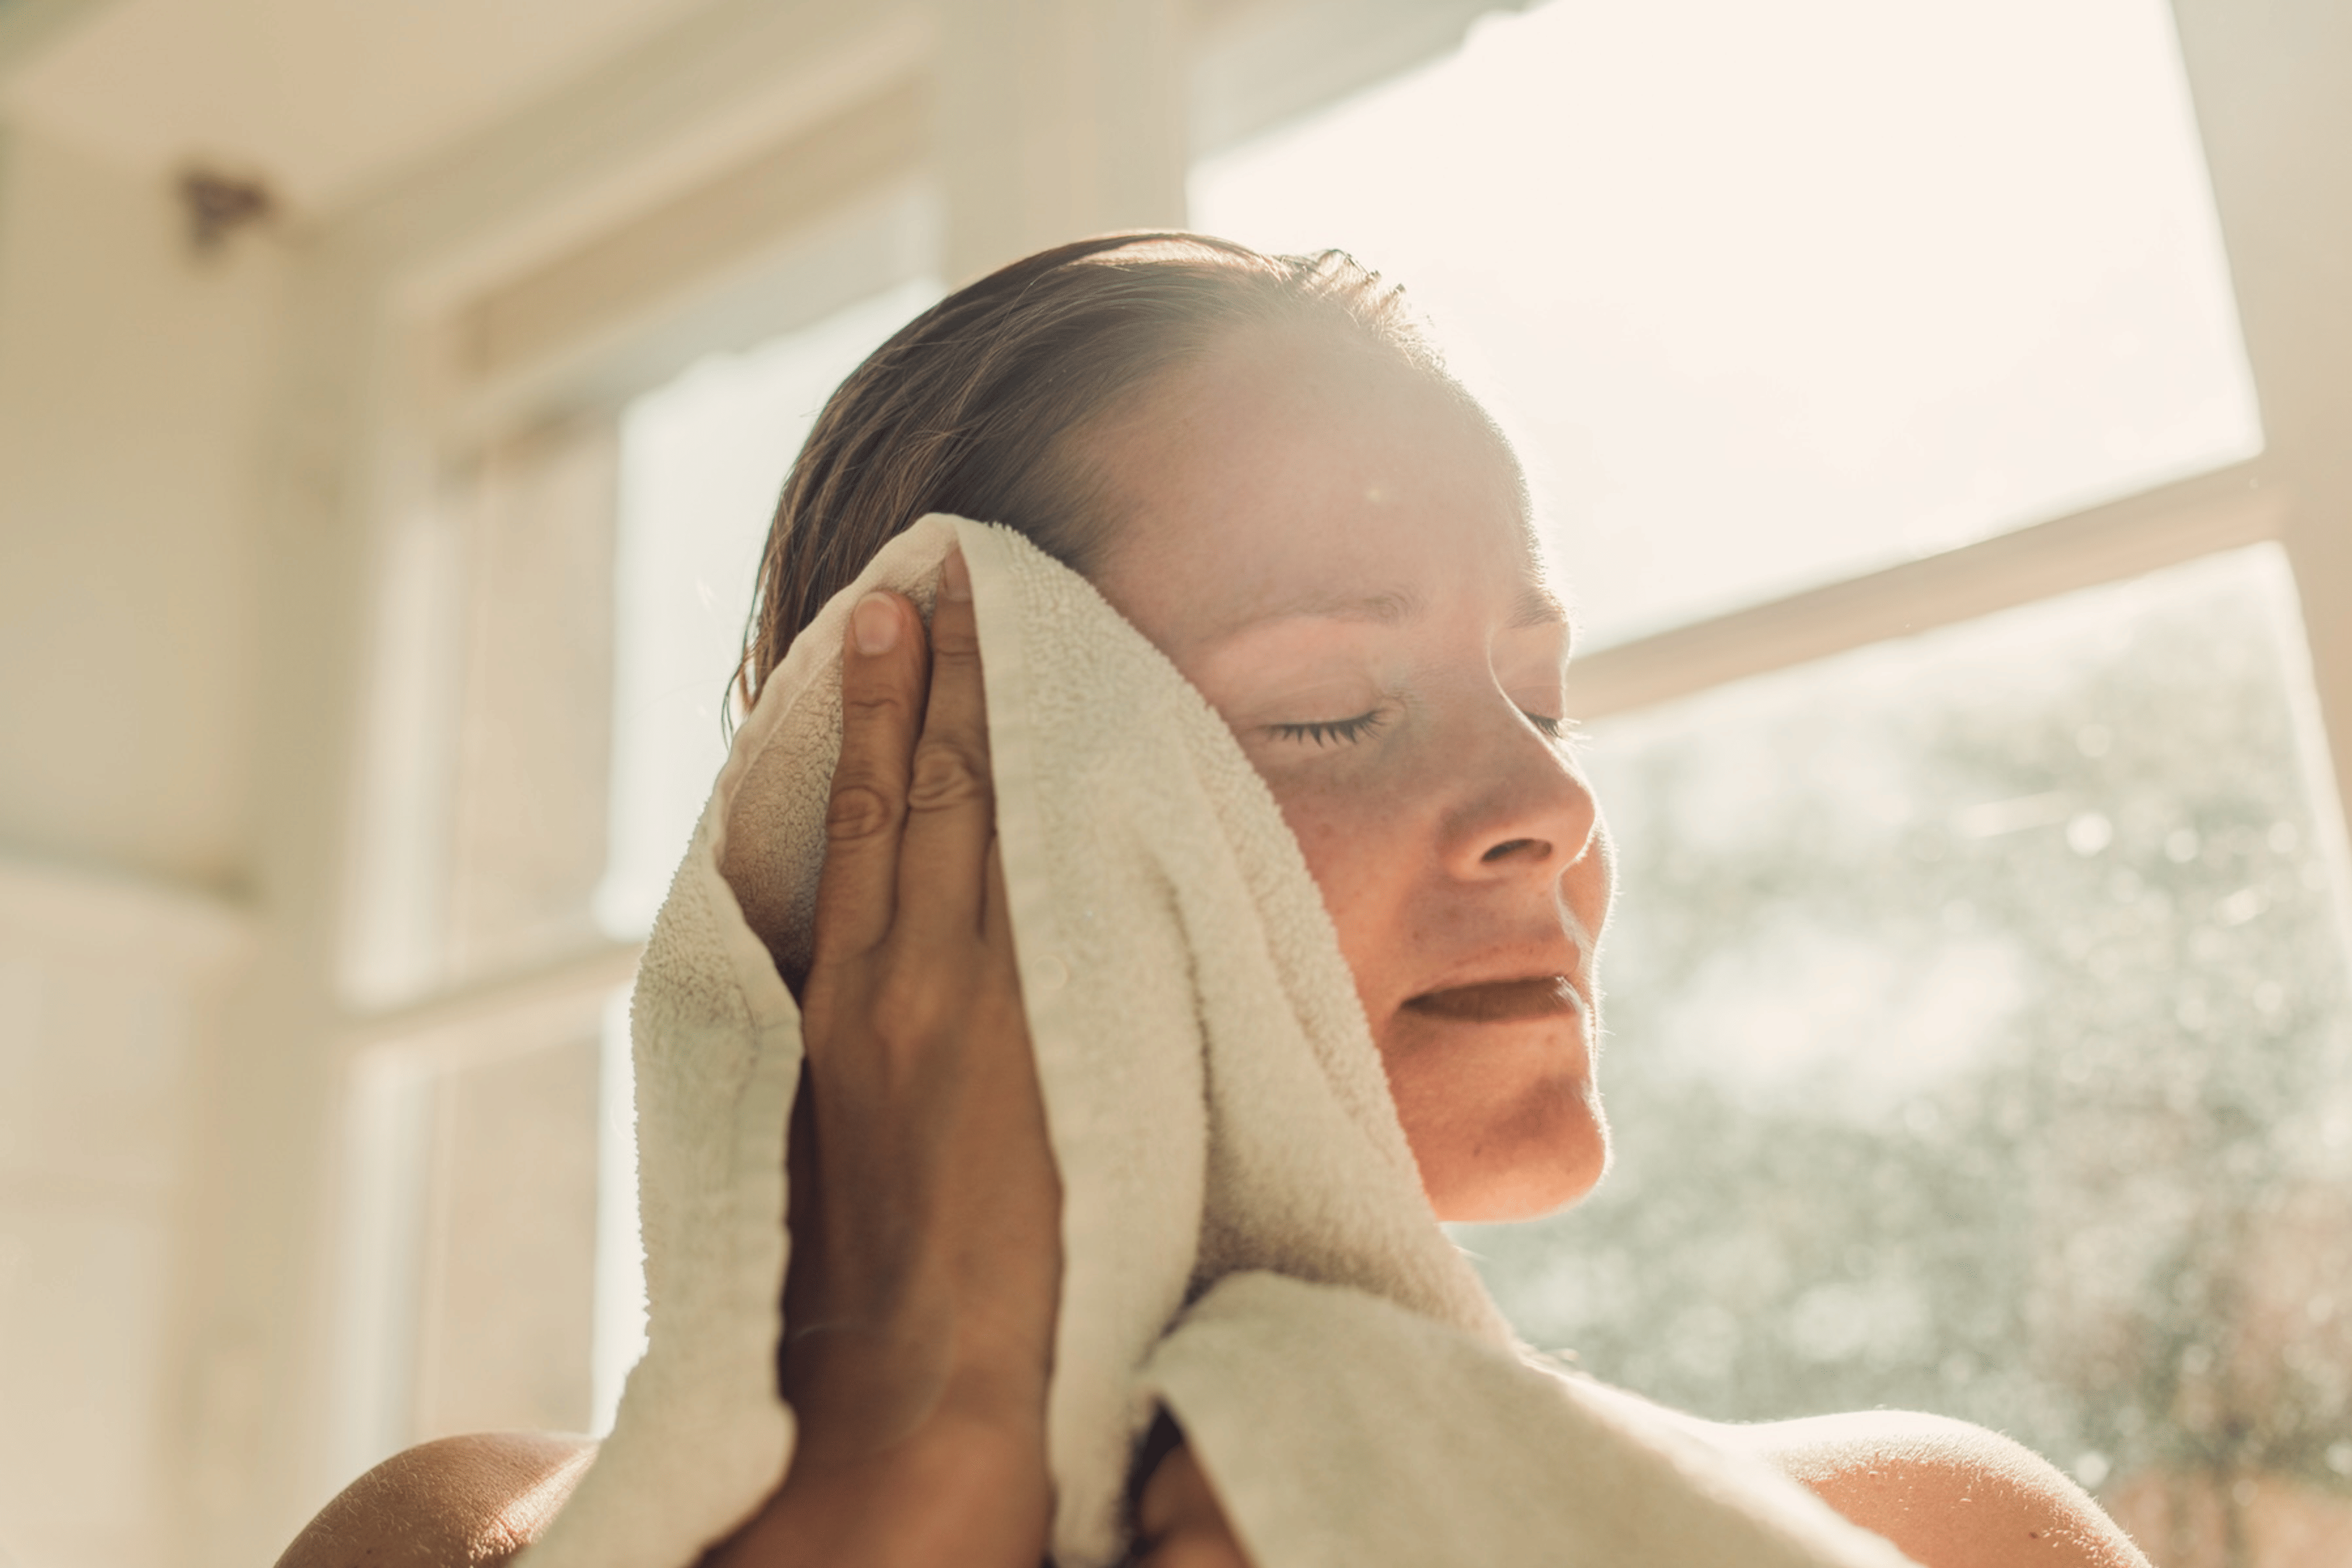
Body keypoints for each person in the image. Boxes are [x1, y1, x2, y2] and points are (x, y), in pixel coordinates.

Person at [279, 235, 2150, 1568]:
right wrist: (901, 1487)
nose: (1555, 802)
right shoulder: (463, 1545)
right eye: (1332, 710)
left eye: (1545, 695)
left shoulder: (1940, 1537)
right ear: (934, 817)